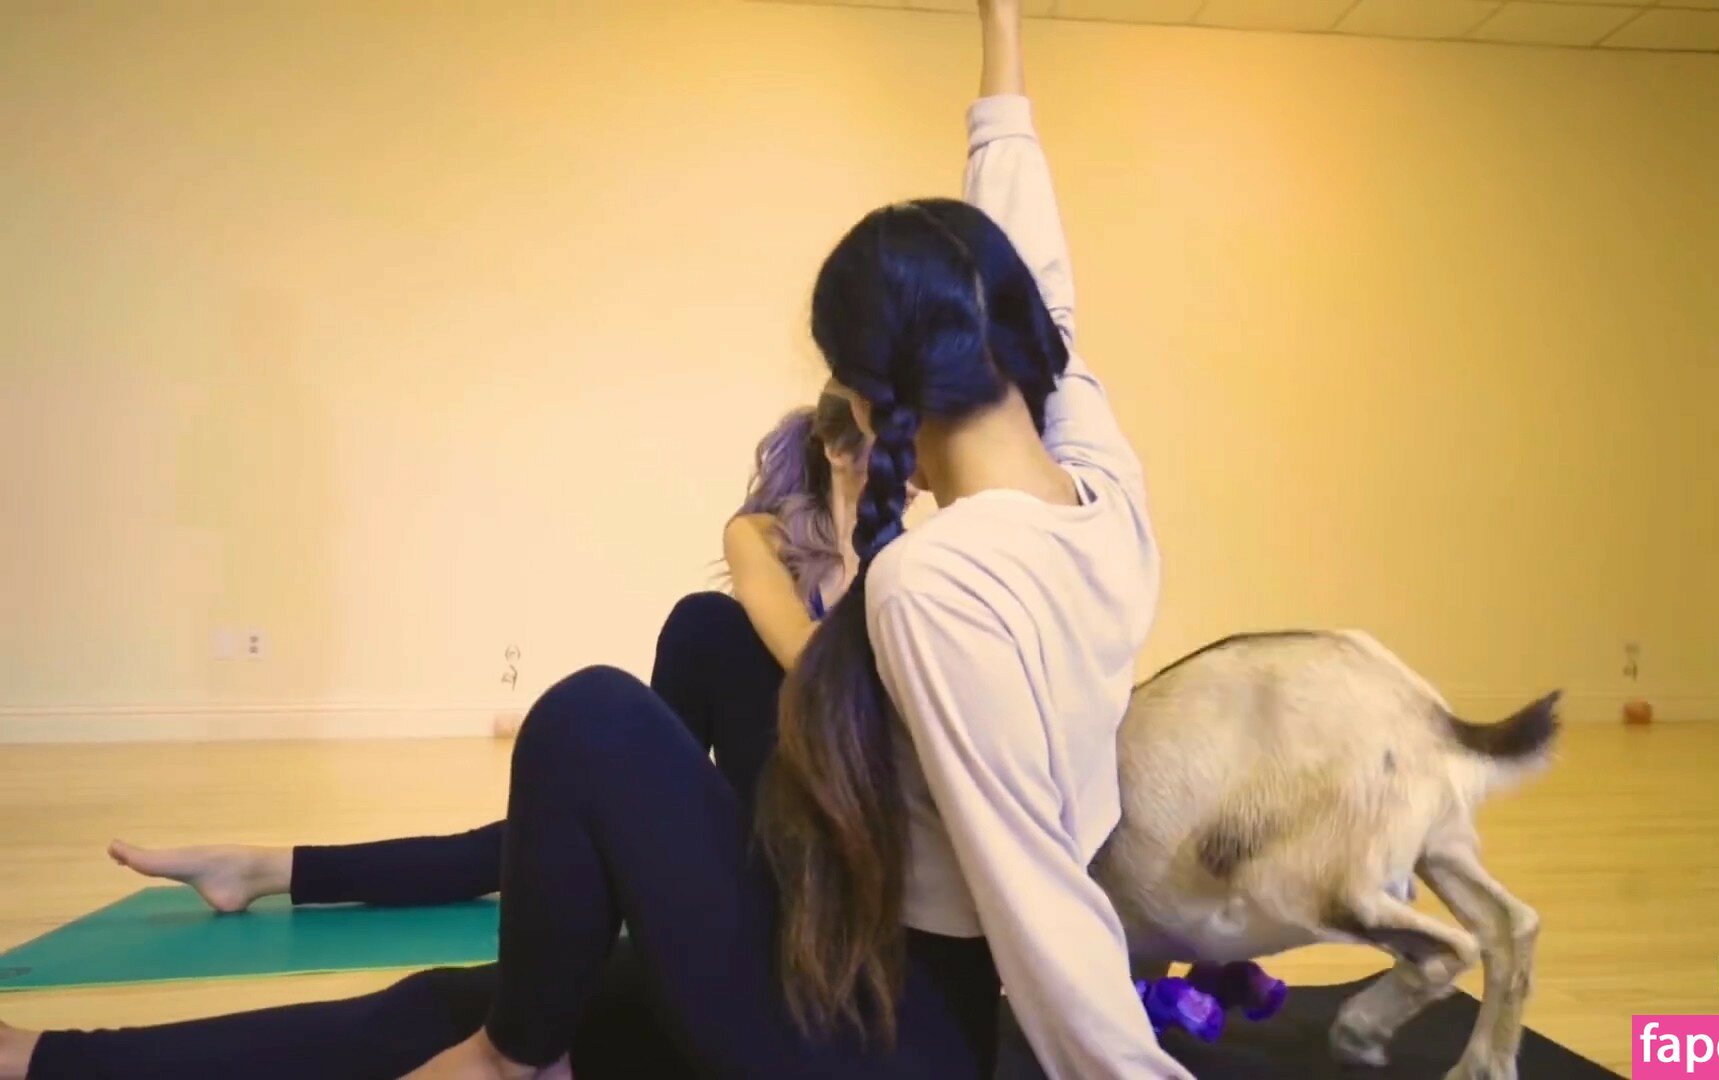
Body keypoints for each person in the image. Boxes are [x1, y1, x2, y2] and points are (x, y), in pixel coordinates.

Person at [0, 3, 1190, 1077]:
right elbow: (1036, 266)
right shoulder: (1099, 482)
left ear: (873, 394)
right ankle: (56, 1061)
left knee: (591, 718)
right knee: (698, 653)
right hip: (851, 945)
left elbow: (1036, 890)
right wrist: (1002, 32)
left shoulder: (935, 583)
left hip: (873, 1037)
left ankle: (511, 1061)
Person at [99, 389, 876, 917]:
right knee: (702, 627)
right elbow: (811, 664)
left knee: (565, 836)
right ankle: (263, 869)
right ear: (838, 449)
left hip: (861, 837)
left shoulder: (910, 553)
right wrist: (851, 535)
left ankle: (261, 870)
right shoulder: (761, 537)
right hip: (763, 823)